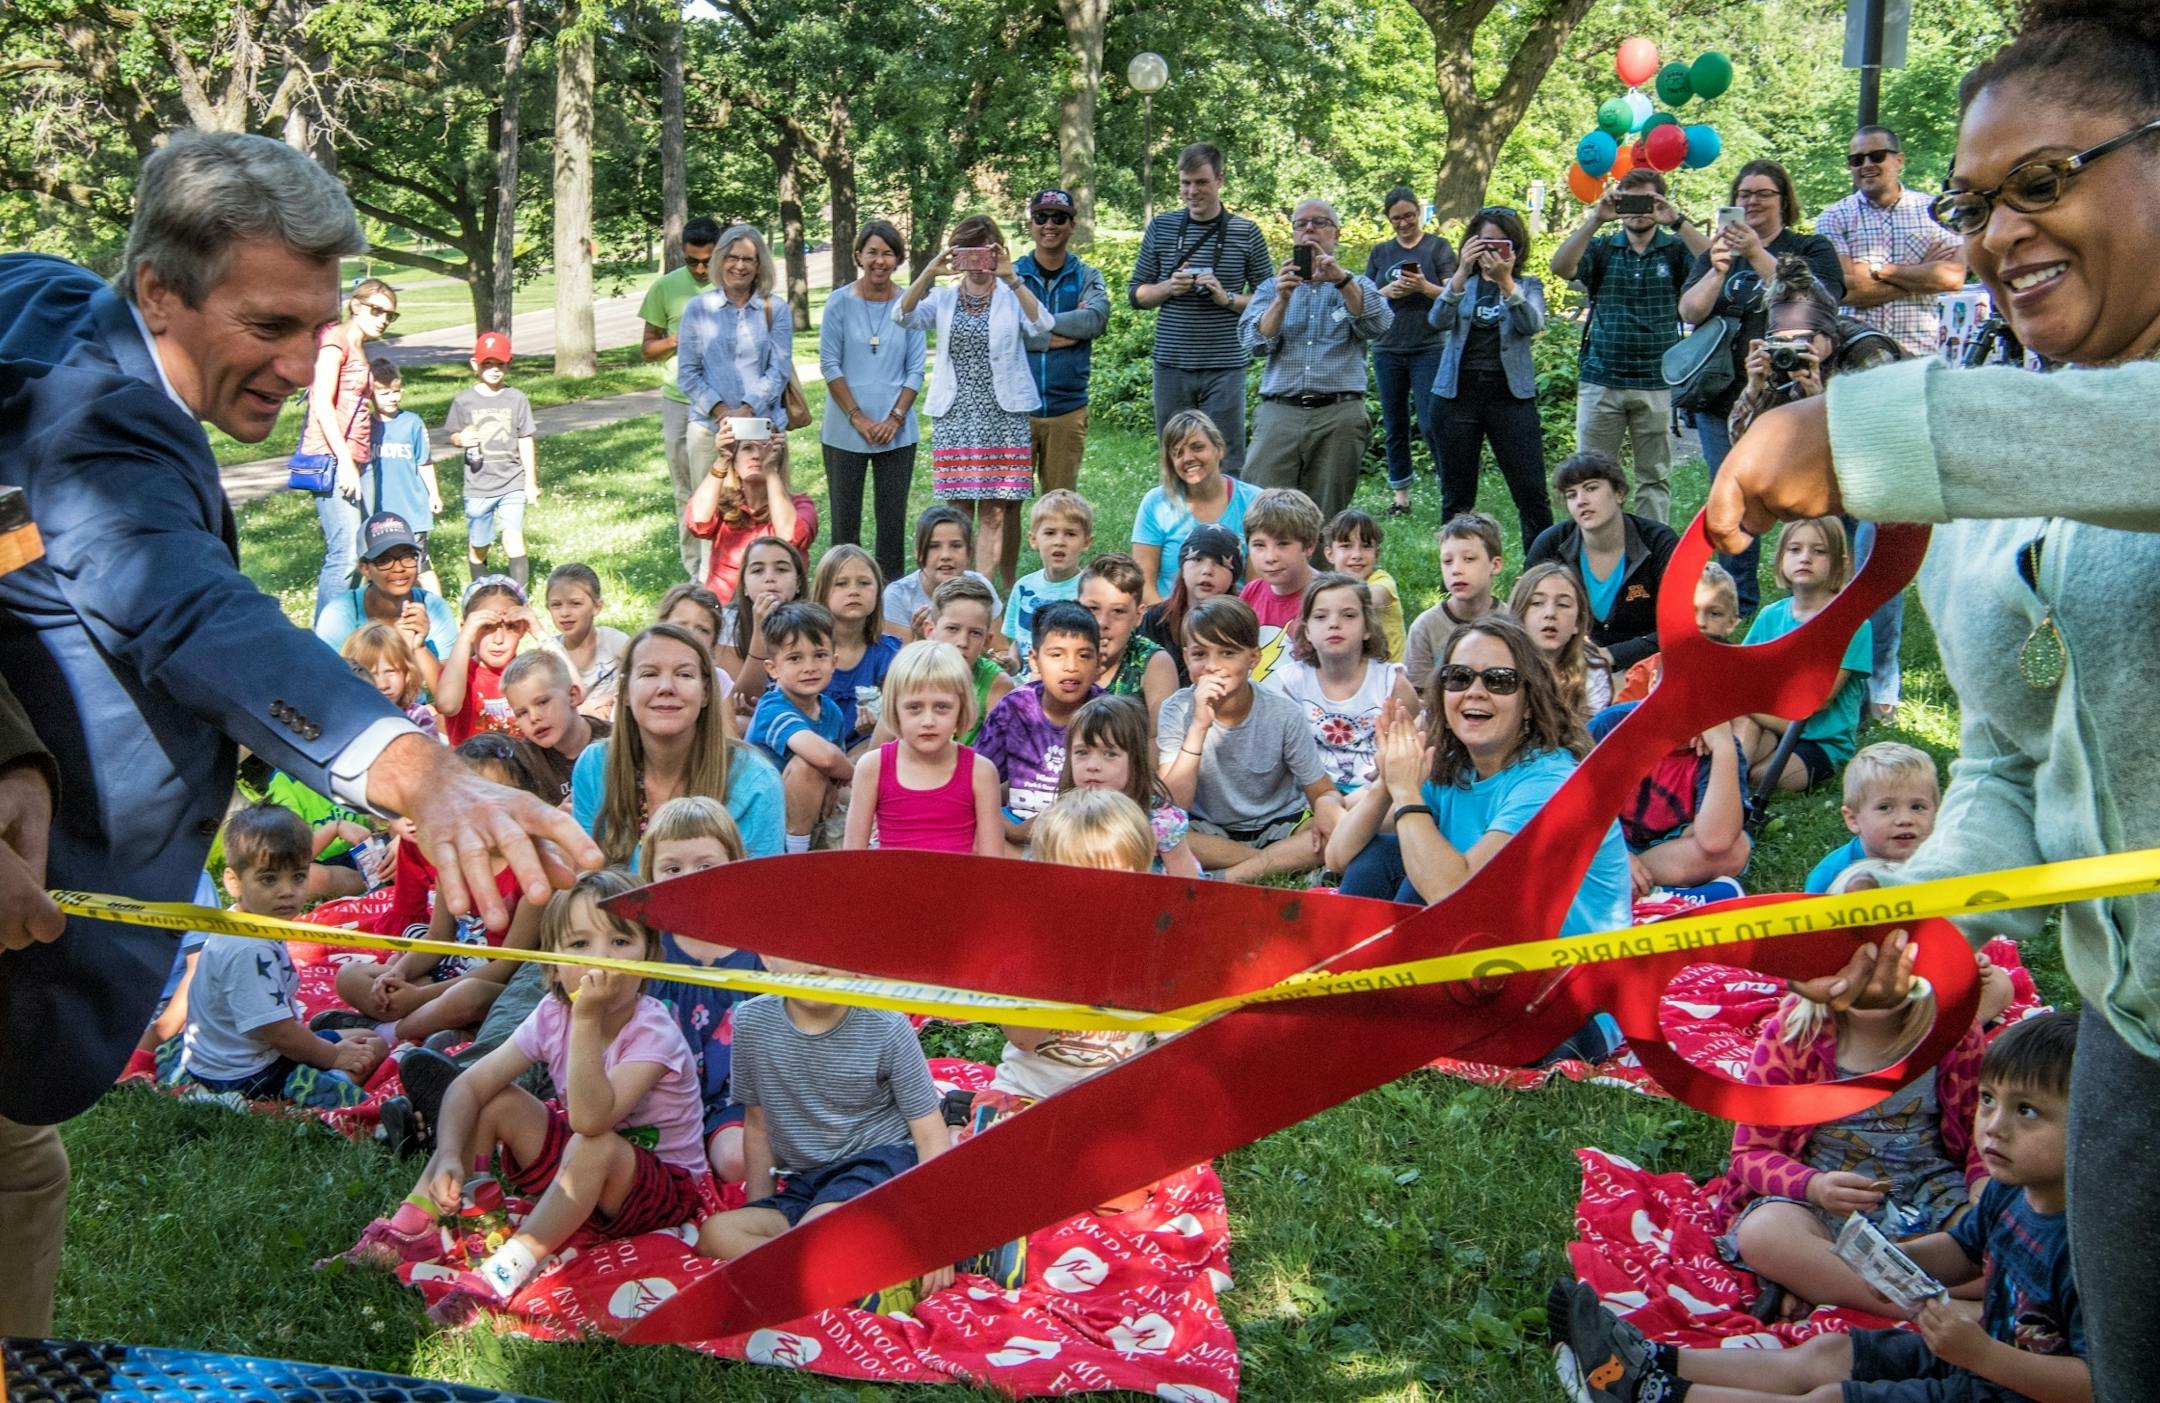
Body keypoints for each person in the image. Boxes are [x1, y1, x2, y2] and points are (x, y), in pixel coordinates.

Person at [0, 134, 595, 1337]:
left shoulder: (44, 300)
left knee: (22, 1167)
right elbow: (187, 607)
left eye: (320, 327)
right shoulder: (106, 425)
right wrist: (419, 771)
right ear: (158, 291)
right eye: (269, 325)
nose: (301, 363)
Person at [1701, 9, 2160, 1389]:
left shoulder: (1992, 444)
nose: (2004, 233)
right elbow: (2010, 772)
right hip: (2131, 1040)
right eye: (1975, 205)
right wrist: (1912, 904)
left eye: (2045, 180)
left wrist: (1858, 429)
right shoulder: (2011, 477)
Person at [1551, 1011, 2083, 1403]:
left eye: (2028, 1111)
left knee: (1831, 1399)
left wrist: (1983, 1355)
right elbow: (1965, 1252)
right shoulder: (2010, 1194)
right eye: (1988, 1101)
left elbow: (2107, 1383)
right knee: (1829, 1353)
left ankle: (1651, 1396)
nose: (1993, 1125)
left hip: (2011, 1384)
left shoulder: (2098, 1252)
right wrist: (1892, 1264)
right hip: (1979, 1351)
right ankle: (1653, 1360)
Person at [366, 870, 707, 1325]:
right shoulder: (551, 1012)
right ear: (550, 961)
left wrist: (586, 1020)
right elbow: (469, 1084)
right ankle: (419, 1221)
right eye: (580, 945)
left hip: (661, 1195)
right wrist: (449, 1153)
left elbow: (590, 1120)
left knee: (594, 1143)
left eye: (620, 942)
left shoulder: (653, 1031)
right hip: (584, 1176)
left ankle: (505, 1272)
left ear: (651, 956)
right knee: (499, 1101)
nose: (600, 961)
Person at [1327, 615, 1631, 945]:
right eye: (1458, 678)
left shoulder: (1551, 782)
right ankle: (1348, 968)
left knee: (1427, 873)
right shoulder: (1456, 768)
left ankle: (1378, 976)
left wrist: (1406, 792)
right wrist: (1390, 778)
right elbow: (1339, 856)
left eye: (1498, 680)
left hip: (1565, 972)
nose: (1475, 692)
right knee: (1383, 856)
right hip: (1500, 945)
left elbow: (1454, 894)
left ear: (1528, 702)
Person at [692, 952, 954, 1314]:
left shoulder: (887, 1026)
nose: (817, 964)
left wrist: (939, 1236)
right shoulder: (753, 1022)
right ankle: (845, 1269)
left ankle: (924, 1251)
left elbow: (930, 1136)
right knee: (716, 1234)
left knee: (816, 1232)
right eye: (798, 951)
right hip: (808, 1183)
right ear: (767, 958)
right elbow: (758, 1124)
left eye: (832, 949)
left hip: (884, 1164)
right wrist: (760, 1206)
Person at [1726, 255, 1909, 720]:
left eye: (1803, 342)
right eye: (1781, 343)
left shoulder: (1870, 356)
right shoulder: (1777, 367)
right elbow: (1743, 442)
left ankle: (1880, 681)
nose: (1792, 352)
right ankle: (1812, 662)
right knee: (1819, 558)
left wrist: (1819, 401)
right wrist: (1755, 386)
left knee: (1874, 569)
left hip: (1888, 476)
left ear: (1828, 336)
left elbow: (1876, 445)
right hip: (1827, 477)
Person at [1678, 160, 1844, 618]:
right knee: (1733, 502)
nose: (1751, 202)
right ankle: (1738, 608)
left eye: (1762, 193)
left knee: (1816, 500)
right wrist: (1717, 270)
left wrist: (1755, 253)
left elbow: (1821, 302)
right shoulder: (1716, 252)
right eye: (1744, 194)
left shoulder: (1810, 248)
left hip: (1801, 396)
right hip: (1729, 395)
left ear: (1784, 200)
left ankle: (1822, 605)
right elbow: (1690, 312)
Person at [176, 803, 386, 1109]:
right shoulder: (248, 947)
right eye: (269, 879)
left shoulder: (248, 923)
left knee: (372, 1040)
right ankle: (304, 1100)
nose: (287, 891)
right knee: (366, 1054)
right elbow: (278, 1033)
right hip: (246, 1074)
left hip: (237, 1054)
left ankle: (320, 1073)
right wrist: (334, 1056)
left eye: (298, 877)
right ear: (234, 881)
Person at [898, 214, 1054, 592]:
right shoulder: (944, 298)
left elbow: (1043, 325)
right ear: (956, 255)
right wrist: (928, 273)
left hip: (1004, 413)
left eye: (986, 252)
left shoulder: (1011, 294)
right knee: (959, 509)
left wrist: (1011, 277)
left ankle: (981, 590)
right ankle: (955, 585)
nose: (978, 263)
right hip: (957, 412)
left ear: (998, 251)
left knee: (996, 510)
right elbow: (901, 315)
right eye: (969, 253)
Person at [1546, 169, 1709, 525]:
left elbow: (1717, 265)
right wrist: (1595, 220)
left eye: (1647, 202)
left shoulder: (1675, 249)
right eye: (1629, 200)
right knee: (1589, 478)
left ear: (1660, 203)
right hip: (1602, 377)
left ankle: (1653, 549)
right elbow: (1560, 267)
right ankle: (1597, 544)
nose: (1638, 210)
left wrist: (1677, 220)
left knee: (1654, 477)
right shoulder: (1603, 248)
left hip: (1657, 379)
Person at [1158, 596, 1342, 883]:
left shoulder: (1282, 713)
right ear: (1185, 658)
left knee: (1329, 836)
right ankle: (1271, 865)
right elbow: (1174, 804)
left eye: (1227, 653)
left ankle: (1224, 879)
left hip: (1279, 826)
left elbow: (1322, 791)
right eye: (1199, 654)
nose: (1212, 666)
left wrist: (1326, 809)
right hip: (1208, 831)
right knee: (1154, 830)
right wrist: (1198, 727)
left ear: (1253, 658)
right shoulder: (1176, 709)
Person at [571, 624, 786, 862]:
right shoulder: (595, 766)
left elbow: (758, 892)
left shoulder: (755, 781)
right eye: (649, 674)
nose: (666, 688)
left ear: (705, 692)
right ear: (625, 692)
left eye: (684, 674)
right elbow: (588, 884)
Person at [1240, 198, 1392, 525]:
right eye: (1300, 224)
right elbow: (1254, 342)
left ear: (1336, 234)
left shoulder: (1358, 285)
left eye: (1319, 222)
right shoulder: (1272, 287)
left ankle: (1322, 578)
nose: (1309, 229)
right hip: (1281, 410)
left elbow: (1378, 325)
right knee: (1261, 509)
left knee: (1327, 519)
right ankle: (1261, 577)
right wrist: (1282, 299)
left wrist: (1341, 281)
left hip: (1338, 413)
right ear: (1293, 234)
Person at [1128, 143, 1277, 474]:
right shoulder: (1162, 228)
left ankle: (1226, 526)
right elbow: (1135, 295)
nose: (1191, 191)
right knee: (1175, 455)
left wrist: (1225, 297)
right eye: (1185, 183)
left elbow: (1269, 298)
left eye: (1201, 182)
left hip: (1225, 364)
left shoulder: (1245, 232)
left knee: (1226, 458)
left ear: (1219, 180)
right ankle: (1179, 524)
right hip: (1171, 363)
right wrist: (1170, 287)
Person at [636, 796, 763, 1184]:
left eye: (705, 866)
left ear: (734, 868)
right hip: (658, 1097)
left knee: (736, 1162)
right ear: (651, 877)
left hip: (739, 1100)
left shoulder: (760, 946)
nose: (688, 878)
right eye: (672, 868)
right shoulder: (645, 946)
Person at [1428, 205, 1551, 552]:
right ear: (1470, 244)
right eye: (1483, 242)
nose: (1491, 250)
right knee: (1456, 497)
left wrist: (1506, 283)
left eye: (1500, 243)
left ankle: (1542, 572)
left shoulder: (1528, 285)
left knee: (1531, 493)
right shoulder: (1460, 284)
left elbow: (1532, 325)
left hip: (1510, 398)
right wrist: (1460, 273)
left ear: (1515, 247)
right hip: (1455, 396)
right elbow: (1436, 320)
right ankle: (1456, 574)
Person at [1008, 189, 1112, 574]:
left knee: (1060, 508)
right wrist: (1064, 329)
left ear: (1072, 224)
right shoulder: (1014, 275)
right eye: (1041, 217)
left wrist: (1037, 326)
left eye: (1058, 217)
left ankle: (1059, 579)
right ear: (1030, 224)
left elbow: (1095, 321)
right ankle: (1006, 583)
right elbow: (1009, 331)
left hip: (1068, 407)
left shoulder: (1087, 275)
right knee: (1007, 504)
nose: (1049, 225)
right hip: (1017, 408)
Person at [819, 220, 925, 582]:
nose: (880, 260)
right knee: (844, 523)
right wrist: (858, 418)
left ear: (898, 259)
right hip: (844, 431)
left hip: (897, 432)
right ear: (858, 256)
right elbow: (829, 363)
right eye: (873, 252)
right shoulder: (838, 302)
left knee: (891, 523)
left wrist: (894, 418)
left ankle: (890, 597)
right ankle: (839, 591)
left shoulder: (909, 303)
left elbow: (915, 370)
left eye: (888, 253)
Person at [1736, 517, 1871, 794]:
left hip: (1820, 740)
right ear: (1781, 559)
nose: (1805, 558)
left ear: (1841, 564)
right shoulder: (1771, 616)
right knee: (1739, 748)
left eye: (1819, 551)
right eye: (1795, 549)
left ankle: (1733, 781)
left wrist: (1744, 703)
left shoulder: (1852, 623)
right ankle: (1726, 791)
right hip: (1770, 724)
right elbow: (1742, 672)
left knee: (1763, 777)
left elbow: (1816, 700)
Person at [1815, 125, 1969, 360]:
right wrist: (1922, 275)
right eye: (1856, 160)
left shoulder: (1935, 211)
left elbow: (1953, 278)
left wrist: (1879, 271)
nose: (1866, 165)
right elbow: (1845, 291)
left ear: (1899, 160)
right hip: (1856, 356)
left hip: (1919, 356)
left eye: (1876, 156)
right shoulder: (1833, 217)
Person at [1525, 450, 1680, 675]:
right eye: (1571, 494)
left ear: (1619, 493)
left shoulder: (1658, 542)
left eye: (1591, 488)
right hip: (1567, 665)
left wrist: (1613, 655)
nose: (1581, 501)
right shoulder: (1550, 545)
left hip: (1651, 664)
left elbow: (1681, 625)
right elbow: (1526, 617)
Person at [1260, 573, 1416, 795]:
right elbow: (1280, 747)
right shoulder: (1292, 682)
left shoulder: (1391, 682)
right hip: (1312, 793)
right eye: (1321, 617)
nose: (1334, 623)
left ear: (1368, 628)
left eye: (1349, 615)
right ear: (1307, 632)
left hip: (1376, 792)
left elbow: (1416, 734)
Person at [844, 639, 1002, 856]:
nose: (928, 720)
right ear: (895, 709)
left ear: (961, 709)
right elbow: (852, 860)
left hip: (961, 888)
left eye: (942, 707)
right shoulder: (872, 767)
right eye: (914, 707)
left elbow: (992, 864)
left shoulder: (980, 772)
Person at [299, 277, 394, 618]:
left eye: (390, 315)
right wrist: (344, 462)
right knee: (345, 554)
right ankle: (324, 643)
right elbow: (321, 402)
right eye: (377, 310)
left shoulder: (359, 348)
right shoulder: (334, 341)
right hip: (334, 458)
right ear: (355, 305)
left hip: (358, 459)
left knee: (364, 551)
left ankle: (351, 631)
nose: (383, 318)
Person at [978, 601, 1103, 851]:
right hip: (1011, 832)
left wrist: (1020, 831)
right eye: (1057, 655)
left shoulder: (1107, 716)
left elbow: (1115, 801)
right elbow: (978, 777)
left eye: (1084, 655)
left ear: (1099, 663)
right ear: (1034, 661)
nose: (1071, 666)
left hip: (1081, 836)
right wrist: (1004, 825)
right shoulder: (1014, 709)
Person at [638, 216, 724, 579]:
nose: (701, 269)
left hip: (722, 401)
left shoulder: (733, 283)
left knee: (721, 485)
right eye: (693, 261)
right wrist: (678, 338)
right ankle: (696, 572)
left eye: (708, 260)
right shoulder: (665, 288)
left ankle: (723, 565)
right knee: (685, 489)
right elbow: (648, 348)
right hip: (679, 399)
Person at [1365, 186, 1458, 517]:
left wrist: (1423, 287)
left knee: (1433, 421)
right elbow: (1364, 296)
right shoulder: (1380, 253)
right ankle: (1401, 496)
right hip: (1387, 346)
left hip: (1428, 346)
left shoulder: (1438, 247)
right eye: (1396, 219)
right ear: (1388, 220)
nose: (1403, 223)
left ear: (1418, 213)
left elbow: (1453, 292)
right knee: (1395, 424)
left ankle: (1451, 488)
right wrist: (1388, 290)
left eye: (1408, 216)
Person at [677, 224, 793, 485]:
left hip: (763, 429)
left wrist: (747, 409)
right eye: (732, 257)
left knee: (764, 516)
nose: (739, 266)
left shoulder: (775, 309)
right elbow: (687, 373)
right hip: (711, 429)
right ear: (720, 260)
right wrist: (723, 412)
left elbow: (779, 371)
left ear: (759, 265)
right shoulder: (698, 309)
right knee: (710, 517)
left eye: (747, 259)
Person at [744, 601, 855, 855]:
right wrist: (852, 773)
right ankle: (795, 861)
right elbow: (827, 758)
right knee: (808, 765)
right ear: (773, 669)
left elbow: (835, 773)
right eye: (795, 658)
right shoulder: (772, 708)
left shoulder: (831, 711)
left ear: (834, 661)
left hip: (808, 812)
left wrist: (839, 779)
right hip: (762, 820)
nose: (809, 667)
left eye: (820, 655)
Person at [1130, 409, 1263, 605]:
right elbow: (1143, 583)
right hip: (1168, 618)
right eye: (1177, 453)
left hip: (1235, 621)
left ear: (1219, 449)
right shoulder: (1155, 503)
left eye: (1197, 447)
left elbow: (1257, 587)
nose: (1188, 458)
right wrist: (1167, 625)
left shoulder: (1254, 501)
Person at [1058, 697, 1200, 877]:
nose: (1092, 765)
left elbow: (1185, 881)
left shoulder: (1159, 821)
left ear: (1134, 760)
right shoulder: (1064, 815)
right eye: (1082, 753)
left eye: (1110, 754)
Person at [444, 329, 540, 591]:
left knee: (513, 536)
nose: (494, 369)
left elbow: (525, 438)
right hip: (478, 484)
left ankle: (520, 596)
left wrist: (530, 482)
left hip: (512, 480)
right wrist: (459, 439)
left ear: (508, 364)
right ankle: (480, 591)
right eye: (488, 363)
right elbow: (453, 434)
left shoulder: (517, 398)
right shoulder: (464, 400)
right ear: (475, 365)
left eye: (500, 363)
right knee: (480, 543)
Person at [311, 510, 458, 680]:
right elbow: (329, 682)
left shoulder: (434, 607)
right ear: (365, 568)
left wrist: (419, 647)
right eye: (384, 561)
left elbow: (449, 696)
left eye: (408, 557)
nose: (399, 568)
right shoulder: (339, 615)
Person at [687, 418, 815, 606]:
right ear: (735, 460)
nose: (756, 455)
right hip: (724, 608)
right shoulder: (722, 504)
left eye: (765, 448)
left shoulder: (800, 505)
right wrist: (722, 460)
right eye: (747, 448)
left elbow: (789, 537)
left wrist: (771, 471)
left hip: (784, 610)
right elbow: (697, 522)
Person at [1805, 742, 1938, 895]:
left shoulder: (1943, 862)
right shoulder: (1830, 875)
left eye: (1917, 807)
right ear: (1853, 820)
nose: (1905, 819)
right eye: (1885, 808)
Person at [1403, 512, 1509, 695]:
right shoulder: (1425, 627)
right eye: (1447, 561)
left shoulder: (1512, 621)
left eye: (1469, 559)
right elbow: (1416, 696)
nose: (1456, 570)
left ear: (1495, 565)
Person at [362, 357, 443, 596]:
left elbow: (424, 461)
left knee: (421, 564)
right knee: (379, 564)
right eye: (385, 393)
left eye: (396, 391)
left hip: (412, 510)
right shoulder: (366, 426)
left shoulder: (412, 423)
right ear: (371, 395)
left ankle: (439, 611)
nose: (393, 398)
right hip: (380, 511)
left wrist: (434, 494)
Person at [810, 543, 898, 748]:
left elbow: (897, 717)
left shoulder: (889, 653)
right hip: (812, 747)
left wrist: (879, 725)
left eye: (864, 583)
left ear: (878, 592)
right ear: (822, 592)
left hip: (866, 750)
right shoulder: (806, 650)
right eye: (841, 583)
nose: (853, 591)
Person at [1076, 552, 1176, 724]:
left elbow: (1160, 741)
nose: (1102, 623)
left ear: (1138, 616)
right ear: (1075, 606)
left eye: (1118, 611)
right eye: (1093, 608)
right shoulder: (1059, 655)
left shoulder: (1152, 663)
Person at [1237, 486, 1323, 685]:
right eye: (1259, 545)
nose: (1270, 557)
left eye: (1282, 544)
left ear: (1309, 545)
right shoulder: (1252, 592)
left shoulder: (1326, 596)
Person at [1141, 524, 1244, 689]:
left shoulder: (1241, 622)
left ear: (1233, 575)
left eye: (1219, 563)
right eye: (1197, 559)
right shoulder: (1156, 619)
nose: (1207, 570)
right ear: (1182, 567)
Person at [436, 576, 535, 746]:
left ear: (523, 628)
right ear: (467, 628)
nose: (498, 639)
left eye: (510, 627)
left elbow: (573, 691)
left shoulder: (530, 672)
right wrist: (465, 637)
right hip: (473, 769)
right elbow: (448, 705)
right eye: (486, 627)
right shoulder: (459, 673)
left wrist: (539, 630)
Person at [882, 504, 1003, 641]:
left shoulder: (980, 586)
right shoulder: (898, 595)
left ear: (969, 551)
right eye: (934, 546)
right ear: (918, 552)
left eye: (956, 546)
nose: (945, 555)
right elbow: (896, 660)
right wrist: (920, 640)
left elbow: (999, 650)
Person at [1002, 489, 1093, 673]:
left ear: (1086, 542)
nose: (1059, 541)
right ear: (1034, 539)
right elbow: (1018, 641)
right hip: (1025, 684)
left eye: (1070, 534)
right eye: (1050, 533)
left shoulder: (1090, 590)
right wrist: (1012, 662)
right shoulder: (1023, 587)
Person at [502, 649, 609, 805]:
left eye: (542, 702)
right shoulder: (523, 763)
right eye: (522, 713)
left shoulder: (616, 741)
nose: (534, 718)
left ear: (573, 696)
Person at [1509, 562, 1610, 723]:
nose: (1550, 613)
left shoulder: (1592, 671)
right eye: (1537, 603)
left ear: (1577, 623)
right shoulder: (1498, 667)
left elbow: (1590, 741)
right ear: (1519, 615)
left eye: (1563, 604)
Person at [708, 540, 804, 705]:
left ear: (798, 583)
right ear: (744, 586)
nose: (769, 578)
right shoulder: (728, 621)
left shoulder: (812, 621)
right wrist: (760, 629)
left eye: (781, 569)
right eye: (758, 570)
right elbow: (740, 699)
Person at [541, 563, 629, 723]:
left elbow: (642, 682)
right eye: (556, 605)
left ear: (597, 607)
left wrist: (606, 700)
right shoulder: (548, 652)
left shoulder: (616, 643)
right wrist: (584, 710)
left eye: (575, 603)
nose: (565, 613)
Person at [1322, 509, 1404, 663]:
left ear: (1376, 553)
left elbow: (1371, 599)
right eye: (1346, 546)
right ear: (1330, 554)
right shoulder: (1329, 587)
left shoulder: (1382, 581)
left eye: (1366, 546)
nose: (1357, 555)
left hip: (1387, 675)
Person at [342, 622, 440, 739]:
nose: (383, 684)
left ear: (406, 672)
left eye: (391, 671)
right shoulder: (347, 722)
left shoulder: (417, 718)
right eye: (372, 674)